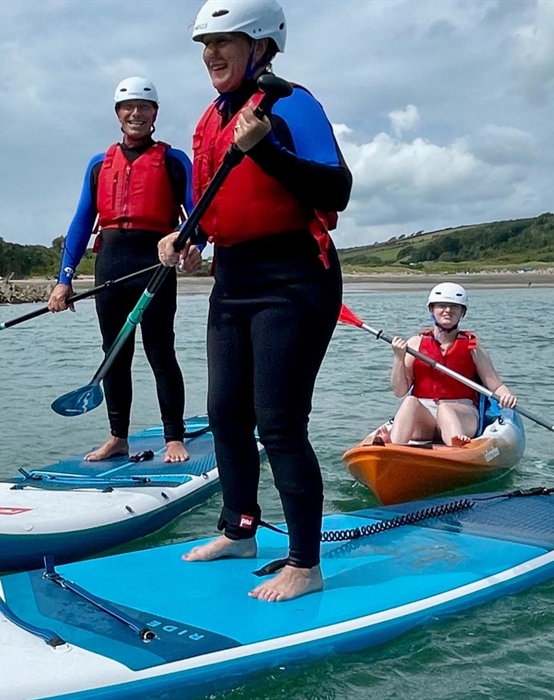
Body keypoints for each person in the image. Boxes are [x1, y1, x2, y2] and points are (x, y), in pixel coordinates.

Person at [157, 0, 352, 602]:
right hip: (233, 279)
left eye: (226, 41)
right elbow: (210, 210)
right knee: (224, 414)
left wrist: (266, 148)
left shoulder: (291, 103)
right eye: (205, 45)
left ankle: (304, 562)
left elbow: (337, 188)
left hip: (295, 276)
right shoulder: (210, 119)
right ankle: (240, 529)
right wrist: (184, 240)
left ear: (262, 44)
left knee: (279, 422)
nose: (212, 54)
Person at [49, 77, 200, 463]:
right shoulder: (99, 165)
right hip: (111, 266)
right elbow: (82, 223)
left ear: (155, 114)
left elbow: (198, 215)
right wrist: (63, 280)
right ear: (118, 114)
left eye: (144, 107)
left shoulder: (174, 160)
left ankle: (174, 437)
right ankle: (118, 437)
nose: (136, 114)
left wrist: (194, 245)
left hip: (156, 265)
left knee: (160, 351)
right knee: (114, 353)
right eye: (128, 107)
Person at [377, 282, 517, 447]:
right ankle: (394, 447)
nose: (448, 311)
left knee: (445, 409)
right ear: (432, 310)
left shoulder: (472, 347)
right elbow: (400, 391)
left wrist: (507, 396)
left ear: (462, 313)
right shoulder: (415, 344)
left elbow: (495, 385)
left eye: (454, 307)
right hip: (426, 416)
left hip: (462, 412)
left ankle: (457, 446)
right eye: (442, 306)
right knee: (409, 402)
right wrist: (399, 358)